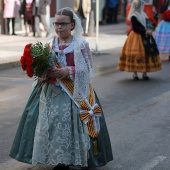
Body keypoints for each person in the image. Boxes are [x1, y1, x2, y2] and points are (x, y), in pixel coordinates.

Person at [9, 7, 113, 170]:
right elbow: (41, 72)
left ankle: (78, 157)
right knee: (54, 127)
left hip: (75, 92)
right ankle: (60, 160)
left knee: (74, 127)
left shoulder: (81, 44)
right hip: (52, 91)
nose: (59, 27)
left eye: (63, 24)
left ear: (72, 25)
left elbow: (88, 69)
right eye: (56, 23)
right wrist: (44, 71)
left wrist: (68, 70)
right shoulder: (50, 45)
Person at [117, 0, 162, 80]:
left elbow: (149, 24)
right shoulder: (134, 16)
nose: (143, 7)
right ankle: (135, 73)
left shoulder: (143, 14)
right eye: (142, 5)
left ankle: (144, 73)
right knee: (137, 55)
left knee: (146, 54)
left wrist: (150, 30)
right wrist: (146, 31)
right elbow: (135, 28)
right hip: (137, 37)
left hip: (145, 36)